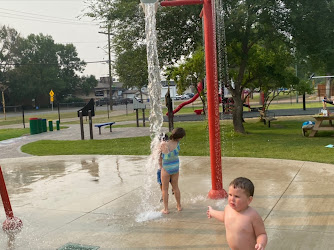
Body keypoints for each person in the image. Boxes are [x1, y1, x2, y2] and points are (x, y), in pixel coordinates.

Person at [207, 177, 267, 250]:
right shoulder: (228, 208)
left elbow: (261, 234)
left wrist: (260, 244)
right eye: (230, 195)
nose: (232, 199)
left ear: (249, 200)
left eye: (236, 196)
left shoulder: (252, 216)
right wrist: (212, 212)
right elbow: (224, 217)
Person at [160, 127, 186, 214]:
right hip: (175, 167)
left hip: (166, 168)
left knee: (165, 189)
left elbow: (159, 154)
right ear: (180, 138)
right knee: (175, 187)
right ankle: (179, 206)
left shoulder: (165, 144)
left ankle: (166, 209)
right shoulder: (177, 143)